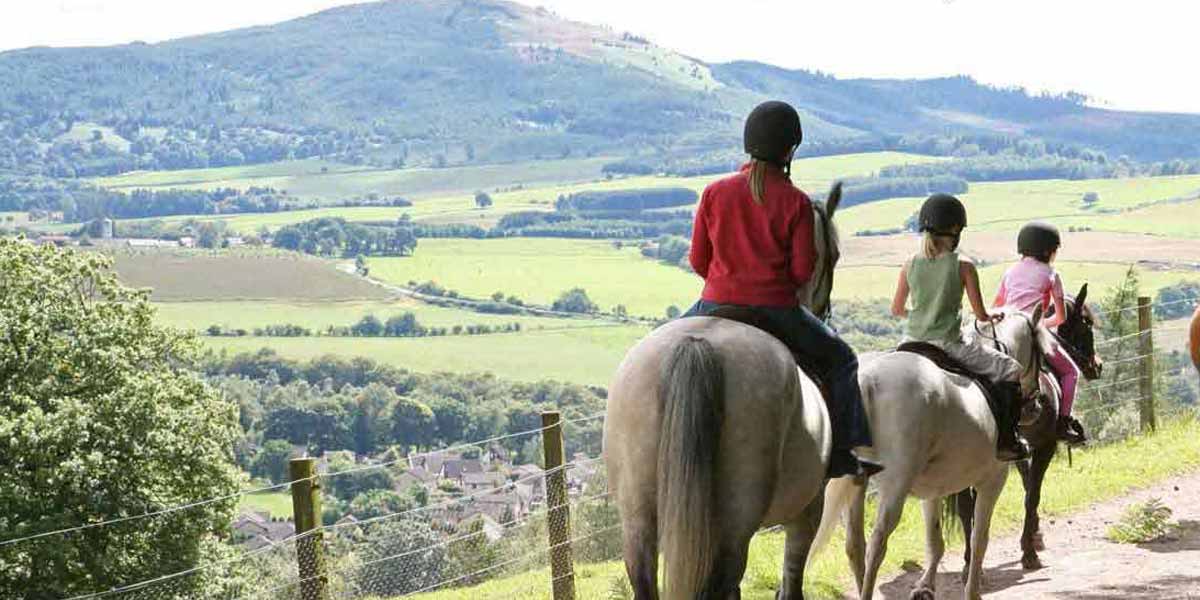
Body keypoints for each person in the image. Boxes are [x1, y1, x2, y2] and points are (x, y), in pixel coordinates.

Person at [684, 100, 882, 479]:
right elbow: (802, 271)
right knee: (843, 360)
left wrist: (727, 282)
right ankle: (842, 453)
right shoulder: (796, 202)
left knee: (657, 345)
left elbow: (697, 260)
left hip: (713, 304)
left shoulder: (714, 192)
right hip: (775, 309)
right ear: (790, 150)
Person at [890, 194, 1030, 461]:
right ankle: (1007, 441)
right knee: (1012, 370)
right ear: (955, 231)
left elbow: (897, 310)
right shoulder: (964, 266)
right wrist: (992, 316)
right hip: (948, 343)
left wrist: (921, 314)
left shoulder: (909, 264)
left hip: (909, 342)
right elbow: (980, 314)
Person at [994, 222, 1087, 445]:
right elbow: (1062, 317)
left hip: (1006, 329)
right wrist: (1045, 324)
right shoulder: (1052, 275)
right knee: (1071, 373)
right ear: (1048, 250)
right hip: (1032, 330)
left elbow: (997, 304)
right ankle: (1064, 423)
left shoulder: (1010, 272)